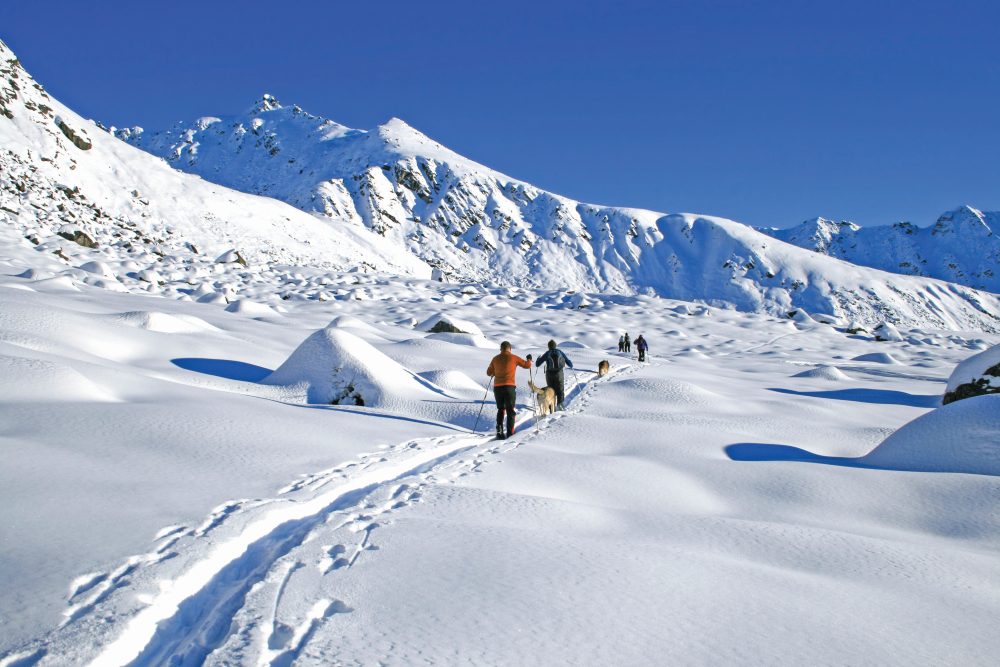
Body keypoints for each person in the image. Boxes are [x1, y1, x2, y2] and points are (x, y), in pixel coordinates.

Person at [486, 341, 532, 439]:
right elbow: (527, 365)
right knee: (510, 411)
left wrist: (495, 371)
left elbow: (489, 373)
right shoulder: (514, 357)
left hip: (497, 387)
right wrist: (529, 359)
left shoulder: (495, 359)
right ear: (510, 349)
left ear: (500, 349)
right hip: (509, 387)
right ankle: (510, 434)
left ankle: (499, 433)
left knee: (501, 410)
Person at [535, 339, 574, 411]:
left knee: (551, 390)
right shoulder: (560, 352)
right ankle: (560, 406)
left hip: (549, 374)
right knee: (560, 390)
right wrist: (570, 363)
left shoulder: (547, 353)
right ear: (555, 346)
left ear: (548, 346)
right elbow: (570, 364)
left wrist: (538, 359)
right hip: (559, 374)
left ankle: (551, 409)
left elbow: (537, 364)